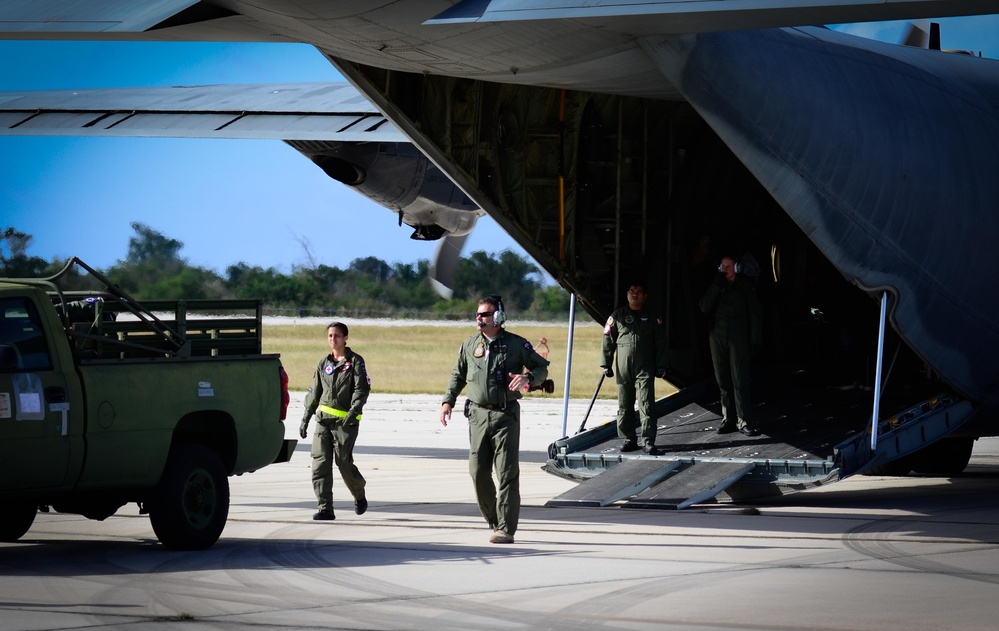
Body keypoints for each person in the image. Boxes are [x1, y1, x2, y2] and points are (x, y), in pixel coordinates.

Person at [439, 295, 551, 544]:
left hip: (505, 415)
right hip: (477, 415)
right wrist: (448, 401)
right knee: (477, 471)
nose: (479, 318)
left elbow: (542, 368)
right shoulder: (469, 345)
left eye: (485, 314)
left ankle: (505, 528)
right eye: (478, 314)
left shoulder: (516, 345)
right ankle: (494, 519)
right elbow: (458, 375)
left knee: (506, 472)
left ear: (498, 318)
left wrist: (528, 379)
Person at [299, 322, 371, 520]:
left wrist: (354, 410)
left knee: (344, 464)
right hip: (323, 422)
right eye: (330, 336)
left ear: (345, 338)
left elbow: (361, 389)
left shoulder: (355, 362)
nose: (333, 339)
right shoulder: (324, 363)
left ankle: (359, 493)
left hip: (345, 424)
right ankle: (325, 508)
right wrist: (306, 416)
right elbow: (315, 391)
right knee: (320, 465)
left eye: (337, 335)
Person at [600, 282, 669, 455]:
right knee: (624, 404)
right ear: (627, 295)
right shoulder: (617, 316)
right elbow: (607, 340)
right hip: (623, 368)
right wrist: (606, 364)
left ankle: (648, 440)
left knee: (646, 403)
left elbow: (660, 342)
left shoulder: (653, 317)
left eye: (639, 292)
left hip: (645, 367)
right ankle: (629, 438)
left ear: (645, 296)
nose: (635, 295)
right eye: (631, 291)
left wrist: (661, 364)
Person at [699, 256, 763, 437]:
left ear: (737, 267)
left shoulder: (745, 286)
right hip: (717, 335)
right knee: (722, 379)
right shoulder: (717, 285)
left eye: (728, 266)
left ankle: (744, 421)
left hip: (738, 336)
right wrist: (716, 286)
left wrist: (755, 339)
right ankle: (728, 418)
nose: (725, 269)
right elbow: (704, 307)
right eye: (722, 266)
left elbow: (755, 313)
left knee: (739, 379)